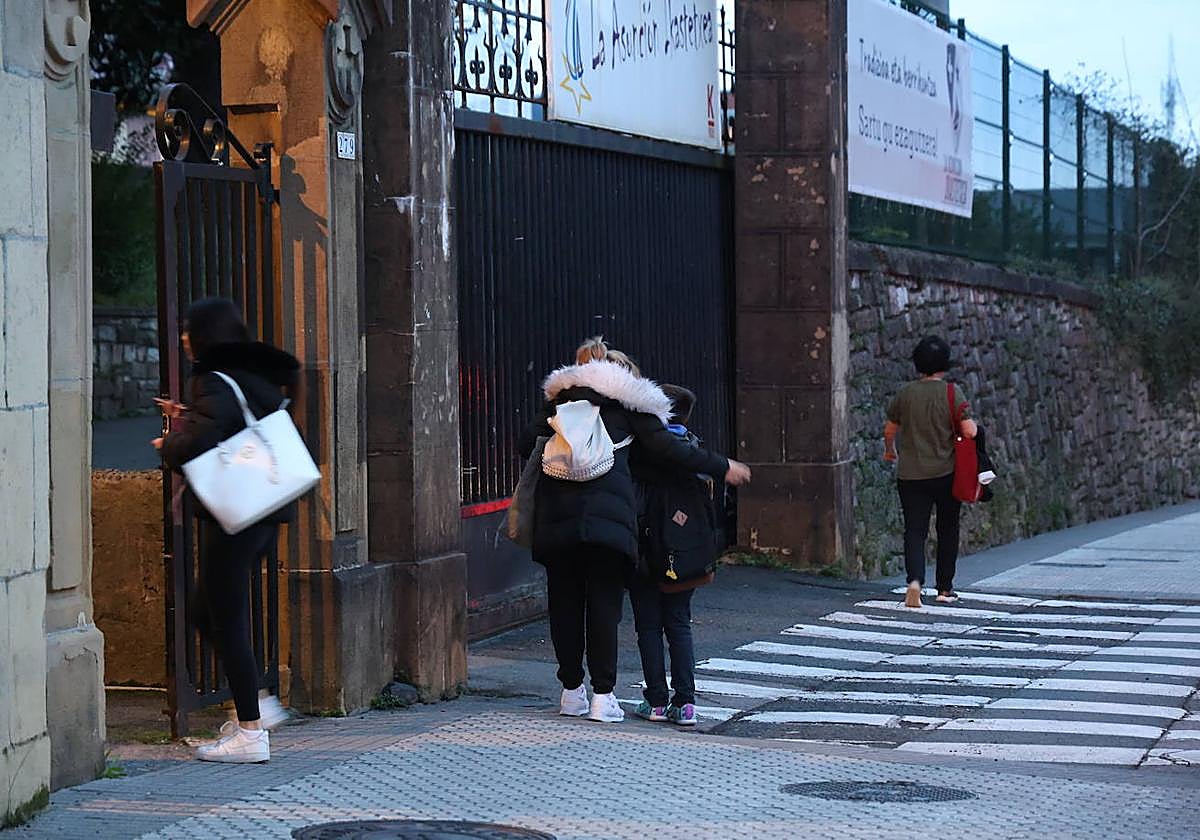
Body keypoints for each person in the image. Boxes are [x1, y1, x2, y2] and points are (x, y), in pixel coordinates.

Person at [519, 337, 751, 723]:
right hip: (608, 525)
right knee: (604, 607)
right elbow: (669, 448)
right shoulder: (628, 406)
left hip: (556, 520)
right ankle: (603, 697)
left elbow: (526, 443)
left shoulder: (558, 403)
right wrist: (721, 465)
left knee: (564, 604)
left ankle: (571, 693)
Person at [154, 297, 301, 763]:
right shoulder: (252, 374)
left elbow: (201, 440)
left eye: (187, 328)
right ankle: (256, 702)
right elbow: (230, 423)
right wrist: (192, 417)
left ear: (205, 334)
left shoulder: (212, 378)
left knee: (227, 617)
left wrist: (169, 442)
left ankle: (252, 733)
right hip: (262, 507)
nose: (182, 336)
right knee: (205, 608)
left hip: (233, 510)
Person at [629, 384, 716, 727]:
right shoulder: (694, 452)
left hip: (645, 550)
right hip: (683, 552)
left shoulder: (641, 453)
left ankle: (656, 701)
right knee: (679, 625)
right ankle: (686, 703)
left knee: (648, 627)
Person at [883, 335, 977, 609]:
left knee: (914, 529)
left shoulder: (906, 393)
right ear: (944, 364)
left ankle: (914, 581)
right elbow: (969, 430)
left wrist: (890, 450)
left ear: (917, 364)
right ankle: (945, 588)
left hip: (911, 474)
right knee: (947, 528)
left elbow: (890, 429)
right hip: (946, 472)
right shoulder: (951, 392)